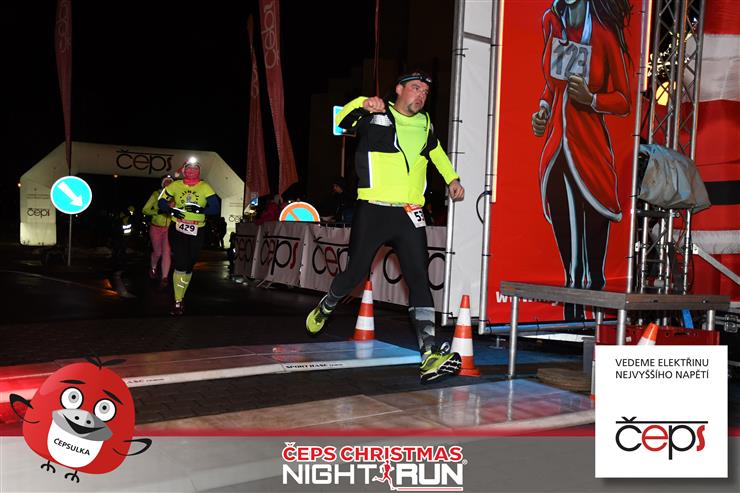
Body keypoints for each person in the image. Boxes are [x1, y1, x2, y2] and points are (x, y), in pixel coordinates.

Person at [306, 71, 466, 384]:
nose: (421, 95)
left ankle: (429, 353)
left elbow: (435, 153)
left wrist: (452, 178)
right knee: (355, 274)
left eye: (425, 92)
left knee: (419, 279)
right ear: (399, 89)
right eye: (415, 88)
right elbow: (342, 121)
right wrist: (363, 104)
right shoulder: (376, 114)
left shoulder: (425, 123)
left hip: (409, 213)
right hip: (374, 209)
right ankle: (327, 305)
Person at [531, 0, 631, 320]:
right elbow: (552, 84)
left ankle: (594, 315)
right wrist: (543, 109)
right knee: (570, 256)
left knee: (593, 255)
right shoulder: (553, 23)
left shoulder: (603, 35)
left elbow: (624, 100)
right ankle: (572, 314)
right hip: (557, 146)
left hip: (590, 148)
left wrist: (592, 99)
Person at [158, 157, 220, 315]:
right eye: (189, 168)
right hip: (177, 228)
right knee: (181, 262)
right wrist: (171, 211)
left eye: (195, 168)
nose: (192, 171)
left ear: (199, 171)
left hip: (197, 229)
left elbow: (215, 208)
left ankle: (181, 294)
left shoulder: (205, 186)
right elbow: (161, 202)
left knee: (189, 264)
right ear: (184, 170)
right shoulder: (175, 185)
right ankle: (177, 301)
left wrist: (200, 210)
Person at [142, 175, 174, 288]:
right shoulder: (156, 194)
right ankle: (153, 267)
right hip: (156, 227)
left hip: (169, 228)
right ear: (162, 184)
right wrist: (157, 212)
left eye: (170, 181)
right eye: (166, 181)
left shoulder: (176, 195)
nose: (168, 183)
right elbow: (145, 210)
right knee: (158, 252)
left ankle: (164, 277)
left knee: (167, 252)